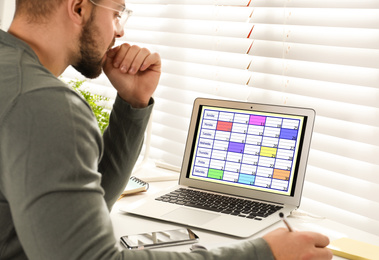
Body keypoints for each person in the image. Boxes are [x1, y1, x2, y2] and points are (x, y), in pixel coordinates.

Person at [0, 0, 333, 259]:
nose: (119, 32)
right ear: (79, 7)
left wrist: (133, 101)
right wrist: (264, 253)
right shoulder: (43, 103)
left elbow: (80, 216)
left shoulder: (13, 77)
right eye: (117, 13)